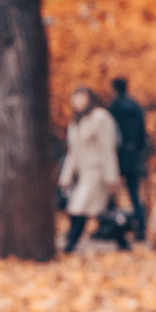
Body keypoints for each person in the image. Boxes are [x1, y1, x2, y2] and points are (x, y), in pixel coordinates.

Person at [59, 86, 123, 252]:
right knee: (104, 211)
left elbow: (108, 148)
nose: (78, 102)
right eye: (76, 98)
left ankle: (70, 243)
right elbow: (73, 152)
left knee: (80, 207)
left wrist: (111, 177)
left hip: (97, 172)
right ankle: (122, 241)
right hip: (83, 173)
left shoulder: (100, 118)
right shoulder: (76, 121)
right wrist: (66, 177)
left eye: (82, 97)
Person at [110, 78, 149, 238]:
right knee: (134, 194)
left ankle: (112, 228)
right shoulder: (136, 108)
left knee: (112, 194)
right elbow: (142, 134)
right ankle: (141, 228)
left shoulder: (113, 109)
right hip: (134, 156)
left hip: (118, 156)